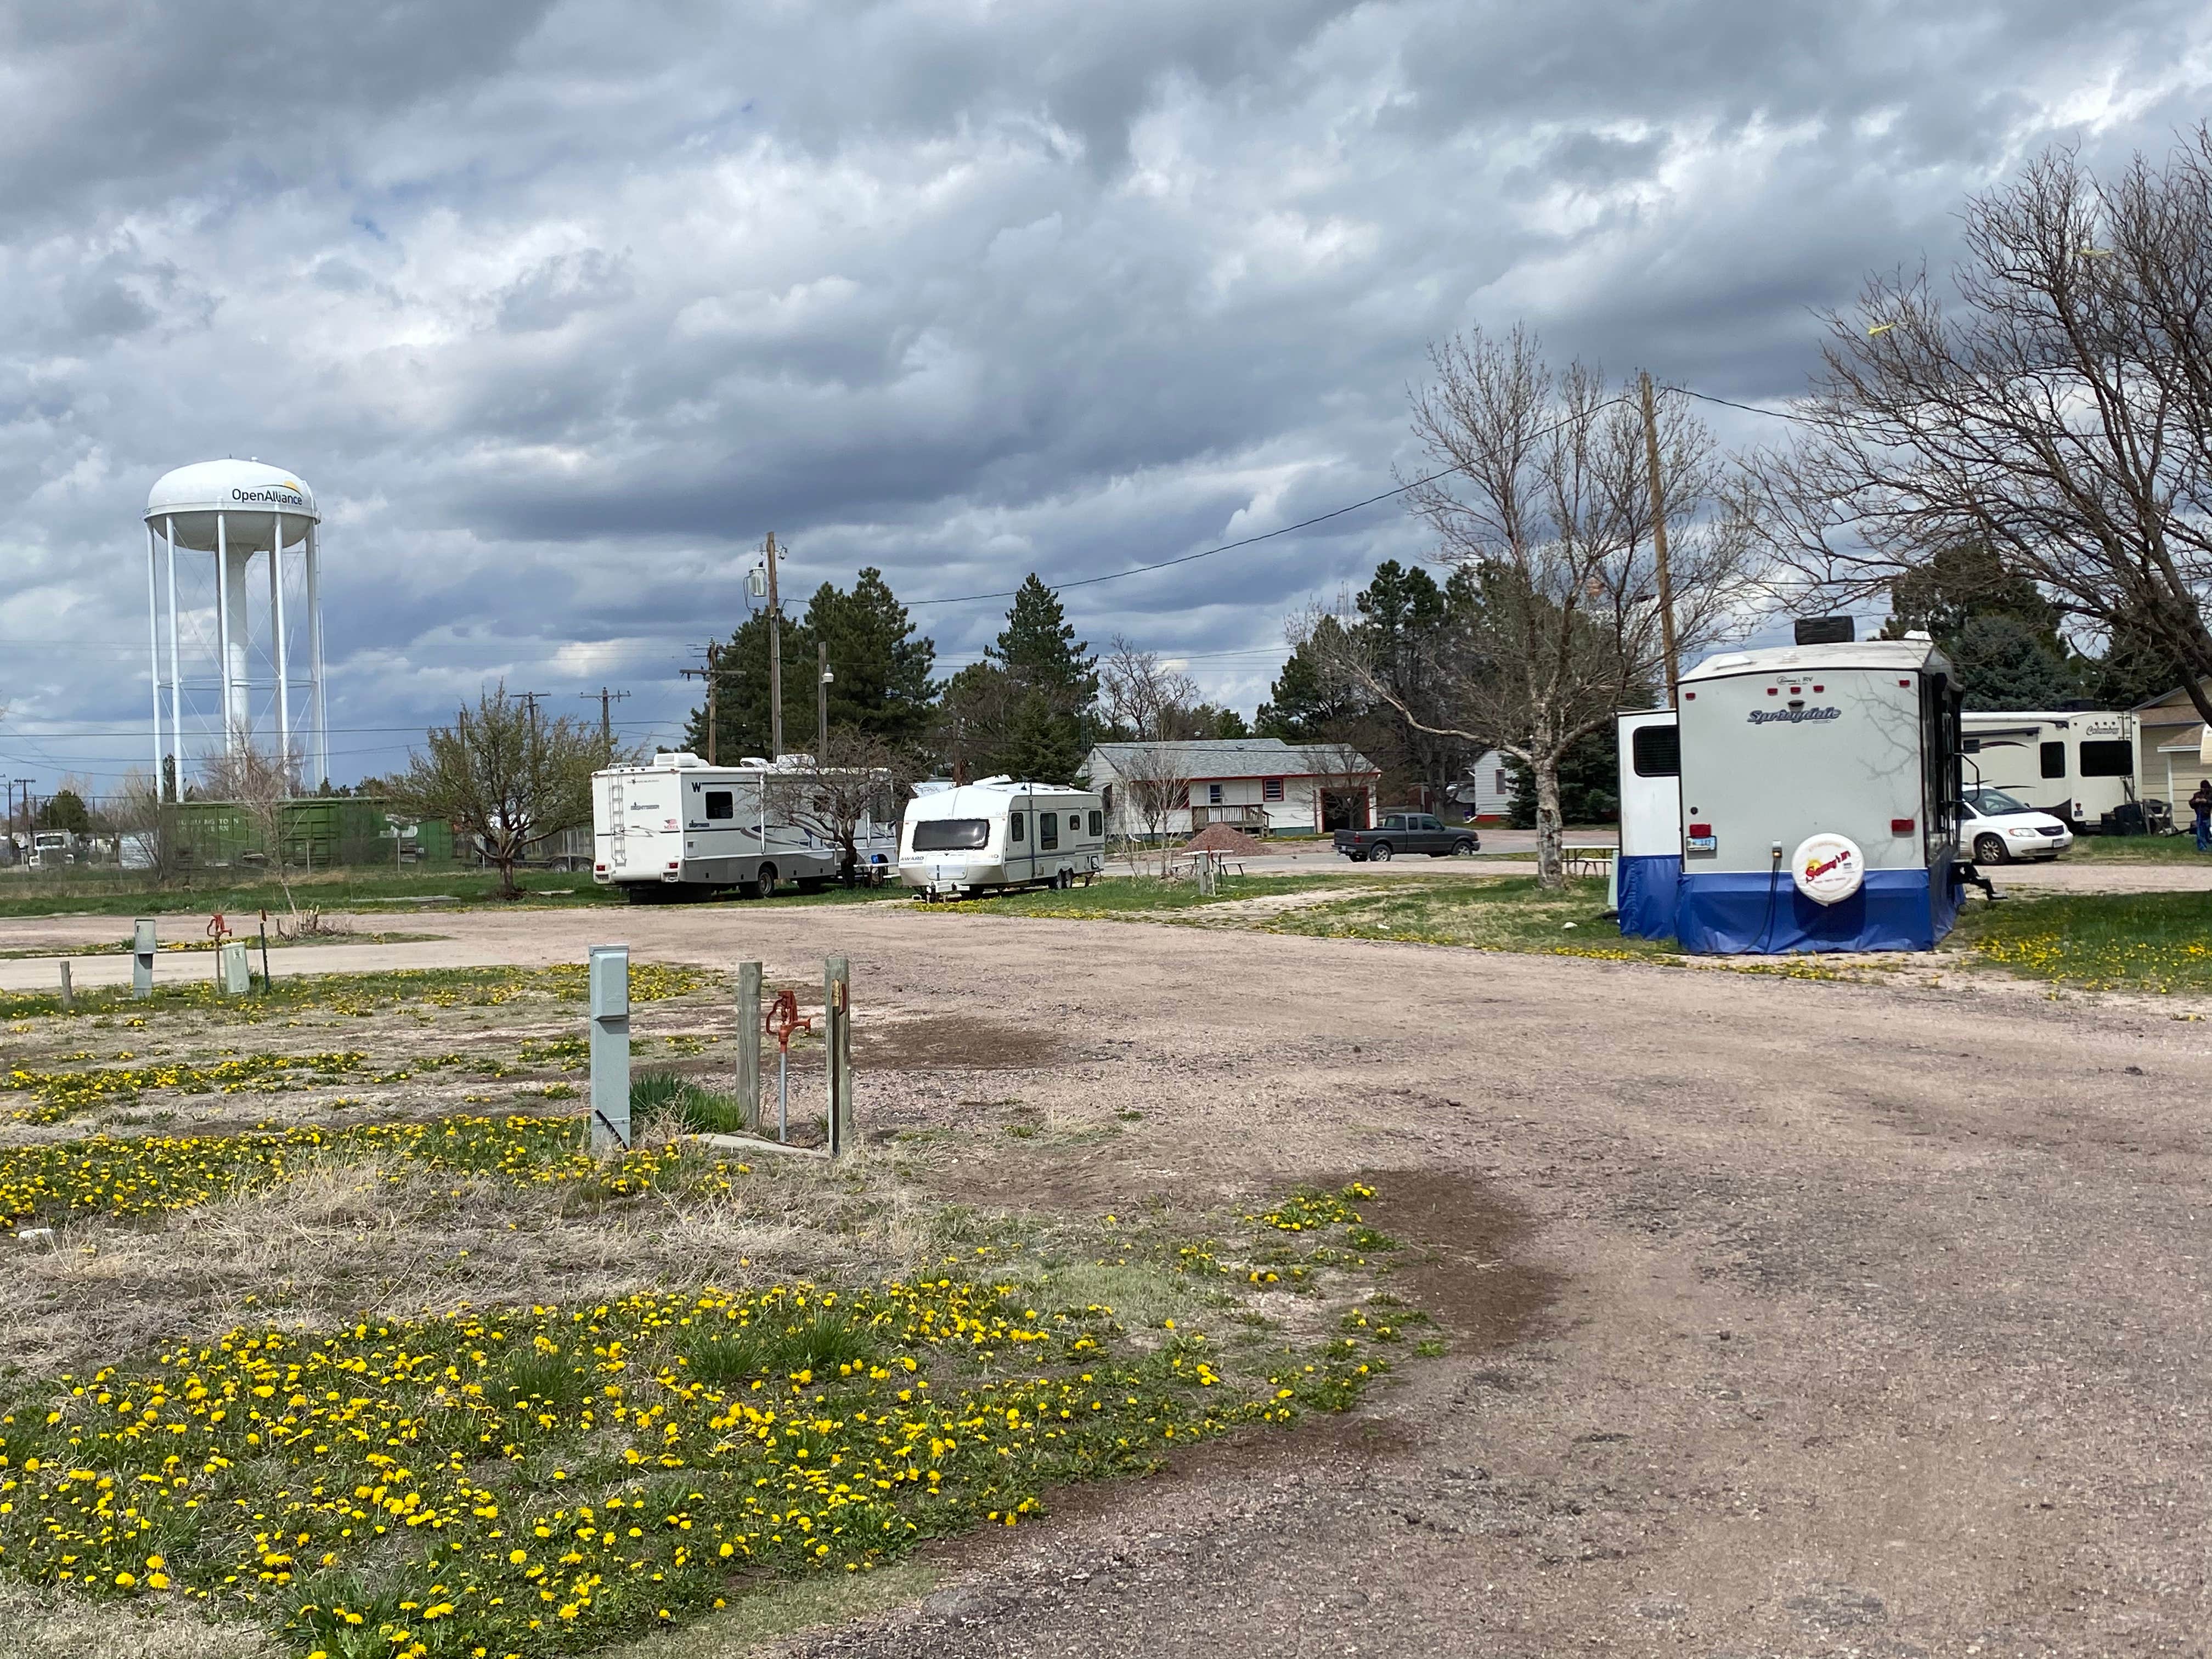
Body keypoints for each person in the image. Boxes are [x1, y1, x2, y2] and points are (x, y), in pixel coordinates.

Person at [2192, 780, 2212, 853]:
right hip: (2200, 816)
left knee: (2208, 833)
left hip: (2209, 816)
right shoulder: (2197, 795)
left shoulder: (2211, 794)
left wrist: (2206, 801)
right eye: (2202, 788)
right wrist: (2195, 801)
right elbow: (2191, 803)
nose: (2203, 789)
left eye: (2204, 788)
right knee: (2200, 833)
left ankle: (2209, 846)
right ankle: (2202, 848)